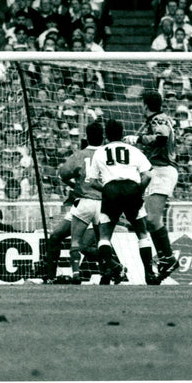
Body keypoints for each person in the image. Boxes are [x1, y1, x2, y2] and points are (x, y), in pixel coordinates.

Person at [44, 122, 124, 285]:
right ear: (103, 137)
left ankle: (111, 270)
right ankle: (113, 269)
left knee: (64, 239)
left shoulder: (79, 155)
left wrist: (75, 185)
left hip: (85, 202)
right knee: (92, 242)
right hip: (103, 204)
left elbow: (63, 174)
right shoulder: (110, 155)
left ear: (86, 136)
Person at [86, 119, 158, 285]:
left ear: (106, 135)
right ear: (122, 133)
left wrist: (106, 189)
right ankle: (149, 274)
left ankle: (109, 270)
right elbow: (148, 175)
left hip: (111, 189)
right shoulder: (133, 151)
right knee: (142, 234)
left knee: (104, 235)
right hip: (131, 188)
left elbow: (91, 181)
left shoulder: (100, 152)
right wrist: (139, 190)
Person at [130, 90, 180, 281]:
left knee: (152, 219)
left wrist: (139, 139)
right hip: (157, 170)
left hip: (163, 170)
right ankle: (166, 258)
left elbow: (162, 138)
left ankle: (168, 258)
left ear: (144, 104)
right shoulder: (161, 118)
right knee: (149, 219)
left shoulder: (157, 120)